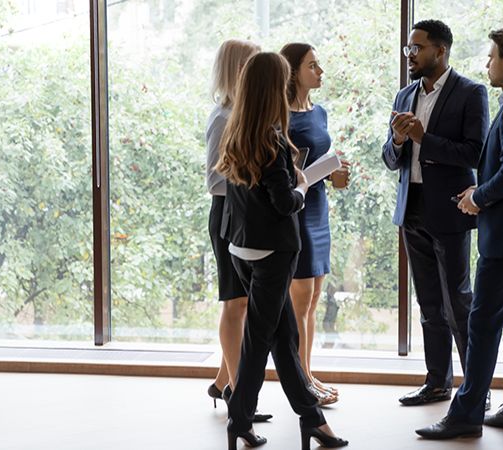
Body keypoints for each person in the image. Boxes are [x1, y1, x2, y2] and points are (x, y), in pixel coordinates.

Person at [416, 25, 503, 439]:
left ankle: (466, 414)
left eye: (492, 57)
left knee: (482, 324)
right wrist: (480, 189)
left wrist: (478, 198)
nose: (487, 64)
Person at [216, 52, 348, 450]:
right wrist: (303, 186)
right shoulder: (271, 139)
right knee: (259, 344)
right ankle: (239, 421)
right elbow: (284, 203)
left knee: (284, 339)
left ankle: (312, 420)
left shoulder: (236, 131)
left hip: (241, 248)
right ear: (275, 88)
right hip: (273, 253)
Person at [380, 19, 489, 407]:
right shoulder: (403, 96)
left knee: (459, 302)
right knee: (428, 303)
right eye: (409, 49)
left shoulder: (471, 93)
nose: (409, 54)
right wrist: (396, 139)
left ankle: (477, 389)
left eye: (417, 48)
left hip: (451, 209)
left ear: (440, 51)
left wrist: (424, 138)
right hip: (411, 209)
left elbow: (475, 154)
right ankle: (438, 382)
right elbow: (391, 159)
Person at [203, 39, 272, 423]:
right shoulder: (222, 118)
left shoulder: (246, 116)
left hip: (247, 214)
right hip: (229, 214)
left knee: (245, 301)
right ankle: (234, 392)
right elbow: (214, 181)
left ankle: (223, 381)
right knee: (236, 301)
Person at [280, 42, 350, 405]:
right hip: (295, 210)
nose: (320, 71)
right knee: (299, 300)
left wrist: (336, 176)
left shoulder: (319, 112)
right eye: (313, 65)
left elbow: (320, 163)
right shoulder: (280, 117)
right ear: (293, 72)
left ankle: (307, 373)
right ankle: (299, 380)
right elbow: (279, 173)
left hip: (318, 205)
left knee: (315, 297)